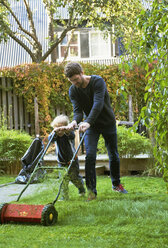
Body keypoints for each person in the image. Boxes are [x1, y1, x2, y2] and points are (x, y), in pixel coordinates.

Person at [64, 62, 127, 201]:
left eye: (76, 79)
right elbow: (77, 111)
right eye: (71, 81)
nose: (74, 83)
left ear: (81, 72)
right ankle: (91, 191)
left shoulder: (98, 81)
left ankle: (116, 184)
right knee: (90, 156)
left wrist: (87, 122)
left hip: (107, 123)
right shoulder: (73, 90)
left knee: (113, 155)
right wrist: (75, 121)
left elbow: (98, 104)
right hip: (91, 126)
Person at [48, 114, 85, 200]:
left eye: (62, 127)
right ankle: (64, 196)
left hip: (72, 161)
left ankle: (81, 189)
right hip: (61, 162)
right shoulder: (55, 136)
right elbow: (50, 139)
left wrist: (67, 131)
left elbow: (72, 135)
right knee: (63, 180)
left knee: (74, 177)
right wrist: (54, 132)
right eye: (57, 127)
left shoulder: (68, 135)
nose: (60, 130)